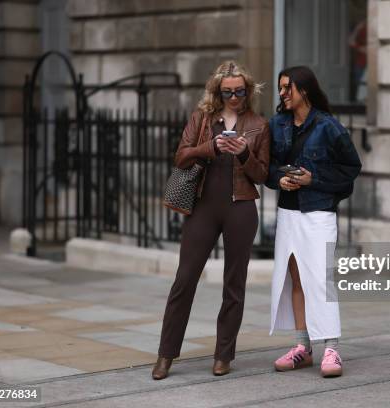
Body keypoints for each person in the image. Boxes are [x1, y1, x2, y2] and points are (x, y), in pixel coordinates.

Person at [153, 61, 270, 379]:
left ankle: (224, 355)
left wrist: (244, 152)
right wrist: (210, 147)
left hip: (241, 208)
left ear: (247, 91)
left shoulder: (259, 124)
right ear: (218, 92)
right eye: (227, 92)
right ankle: (166, 355)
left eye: (239, 92)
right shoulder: (202, 118)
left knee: (234, 285)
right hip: (204, 207)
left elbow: (262, 174)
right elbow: (180, 156)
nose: (234, 97)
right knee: (185, 278)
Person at [265, 66, 362, 378]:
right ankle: (303, 347)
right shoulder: (277, 124)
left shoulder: (328, 126)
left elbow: (351, 168)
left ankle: (331, 348)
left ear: (303, 90)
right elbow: (266, 168)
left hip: (318, 212)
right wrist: (280, 180)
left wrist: (313, 178)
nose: (281, 94)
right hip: (288, 212)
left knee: (320, 279)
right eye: (280, 88)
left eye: (286, 88)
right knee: (294, 279)